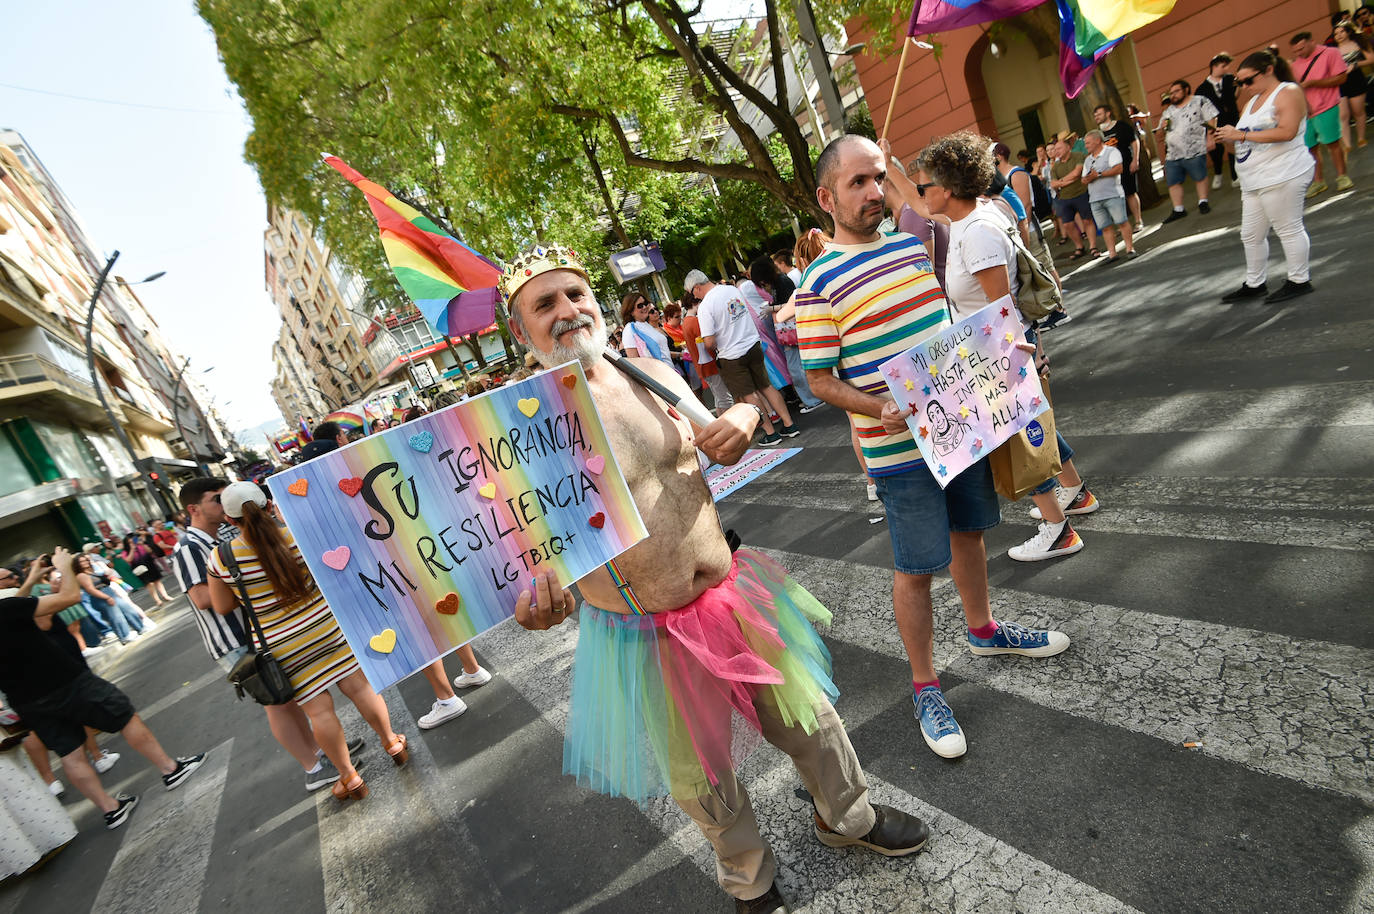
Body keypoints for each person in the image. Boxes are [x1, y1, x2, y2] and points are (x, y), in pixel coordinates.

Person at [500, 242, 930, 914]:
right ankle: (749, 883)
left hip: (731, 593)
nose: (567, 312)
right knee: (700, 775)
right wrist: (537, 601)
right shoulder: (517, 430)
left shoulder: (644, 368)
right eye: (544, 304)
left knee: (810, 719)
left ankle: (849, 820)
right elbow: (522, 552)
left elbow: (719, 429)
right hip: (646, 630)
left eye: (576, 295)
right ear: (521, 329)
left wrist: (746, 416)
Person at [797, 134, 1071, 762]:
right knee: (916, 568)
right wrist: (878, 409)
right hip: (899, 452)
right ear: (827, 198)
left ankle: (983, 631)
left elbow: (949, 329)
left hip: (959, 428)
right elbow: (817, 379)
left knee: (971, 534)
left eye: (877, 179)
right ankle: (925, 686)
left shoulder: (911, 249)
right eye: (857, 183)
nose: (873, 193)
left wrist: (1006, 354)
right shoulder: (817, 283)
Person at [915, 132, 1099, 563]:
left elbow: (1001, 308)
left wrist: (1018, 360)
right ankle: (1075, 492)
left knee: (1016, 436)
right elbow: (921, 206)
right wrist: (887, 171)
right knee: (1033, 425)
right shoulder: (973, 216)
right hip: (998, 347)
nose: (920, 194)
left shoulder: (976, 234)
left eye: (924, 186)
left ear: (947, 188)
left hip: (998, 350)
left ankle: (1058, 528)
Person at [207, 482, 407, 802]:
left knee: (319, 713)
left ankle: (350, 777)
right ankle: (393, 743)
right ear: (270, 505)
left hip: (282, 646)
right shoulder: (298, 536)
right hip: (327, 627)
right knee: (360, 688)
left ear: (230, 521)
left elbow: (221, 606)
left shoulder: (221, 557)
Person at [173, 476, 361, 792]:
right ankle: (313, 766)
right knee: (277, 703)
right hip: (234, 640)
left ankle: (323, 751)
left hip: (260, 630)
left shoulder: (220, 539)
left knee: (294, 699)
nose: (223, 502)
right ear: (194, 508)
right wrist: (226, 574)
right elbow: (203, 599)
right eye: (215, 499)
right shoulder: (189, 548)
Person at [0, 548, 205, 830]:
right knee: (124, 715)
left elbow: (17, 609)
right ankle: (171, 768)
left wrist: (33, 577)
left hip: (27, 699)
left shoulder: (9, 608)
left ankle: (111, 808)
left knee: (70, 753)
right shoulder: (6, 608)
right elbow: (69, 598)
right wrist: (65, 568)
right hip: (65, 679)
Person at [1215, 49, 1316, 304]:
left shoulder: (1288, 92)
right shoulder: (1251, 102)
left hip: (1283, 173)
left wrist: (1240, 136)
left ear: (1269, 70)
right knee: (1250, 234)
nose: (1245, 87)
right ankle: (1255, 283)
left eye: (1249, 80)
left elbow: (1288, 131)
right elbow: (1243, 142)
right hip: (1254, 179)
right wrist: (1224, 139)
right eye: (1240, 83)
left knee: (1288, 228)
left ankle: (1299, 280)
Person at [687, 269, 798, 447]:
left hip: (731, 355)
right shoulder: (731, 290)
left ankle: (770, 433)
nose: (694, 296)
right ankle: (789, 424)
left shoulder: (706, 305)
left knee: (749, 394)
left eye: (692, 292)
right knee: (766, 386)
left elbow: (708, 341)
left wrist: (713, 345)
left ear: (697, 287)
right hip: (752, 344)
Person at [751, 254, 825, 414]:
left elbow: (792, 304)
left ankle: (812, 400)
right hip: (791, 331)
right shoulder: (780, 281)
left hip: (790, 331)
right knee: (799, 366)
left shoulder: (782, 282)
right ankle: (813, 397)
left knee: (795, 368)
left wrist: (771, 308)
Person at [1289, 31, 1352, 196]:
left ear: (1311, 42)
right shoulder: (1295, 64)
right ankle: (1318, 181)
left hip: (1327, 106)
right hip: (1305, 112)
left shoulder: (1331, 53)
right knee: (1310, 148)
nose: (1299, 53)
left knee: (1333, 143)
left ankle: (1342, 176)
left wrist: (1313, 83)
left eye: (1301, 49)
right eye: (1296, 51)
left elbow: (1342, 78)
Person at [1155, 79, 1219, 222]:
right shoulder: (1168, 111)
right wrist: (1161, 128)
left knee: (1199, 176)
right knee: (1173, 181)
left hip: (1194, 148)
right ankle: (1178, 209)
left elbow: (1211, 119)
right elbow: (1159, 134)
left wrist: (1210, 137)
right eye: (1171, 93)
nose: (1173, 95)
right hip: (1173, 153)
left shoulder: (1200, 101)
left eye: (1176, 91)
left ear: (1186, 89)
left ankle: (1203, 202)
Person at [1081, 129, 1137, 261]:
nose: (1086, 146)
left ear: (1097, 141)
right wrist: (1088, 178)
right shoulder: (1088, 159)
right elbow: (1083, 179)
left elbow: (1119, 169)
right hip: (1095, 198)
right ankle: (1112, 253)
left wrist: (1098, 175)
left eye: (1088, 143)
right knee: (1105, 227)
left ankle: (1130, 248)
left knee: (1122, 222)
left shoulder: (1112, 152)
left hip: (1113, 194)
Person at [73, 552, 145, 644]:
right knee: (116, 617)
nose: (85, 562)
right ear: (77, 564)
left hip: (108, 591)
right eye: (81, 561)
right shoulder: (81, 575)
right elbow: (90, 590)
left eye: (86, 560)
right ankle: (124, 635)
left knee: (127, 609)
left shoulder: (91, 571)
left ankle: (140, 627)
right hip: (100, 595)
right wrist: (107, 597)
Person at [1047, 131, 1100, 259]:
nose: (1057, 151)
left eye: (1059, 148)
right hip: (1064, 198)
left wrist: (1061, 182)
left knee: (1087, 220)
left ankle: (1093, 246)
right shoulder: (1055, 166)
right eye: (1055, 149)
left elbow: (1077, 173)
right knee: (1067, 225)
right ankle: (1079, 246)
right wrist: (1065, 181)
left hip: (1081, 193)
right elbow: (1053, 184)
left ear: (1068, 147)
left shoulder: (1078, 156)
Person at [1093, 103, 1145, 230]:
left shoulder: (1121, 126)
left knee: (1130, 193)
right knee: (1112, 197)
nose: (1097, 117)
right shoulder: (1098, 133)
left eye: (1099, 114)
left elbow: (1135, 141)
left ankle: (1138, 221)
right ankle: (1121, 225)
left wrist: (1135, 160)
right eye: (1095, 116)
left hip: (1125, 164)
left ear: (1108, 113)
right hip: (1108, 171)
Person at [682, 294, 734, 415]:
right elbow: (708, 342)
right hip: (709, 364)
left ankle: (723, 425)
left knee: (719, 398)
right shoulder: (694, 321)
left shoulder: (686, 322)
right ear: (695, 303)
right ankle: (731, 426)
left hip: (702, 365)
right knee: (725, 398)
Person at [1196, 52, 1241, 188]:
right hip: (1214, 122)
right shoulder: (1202, 88)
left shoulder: (1230, 79)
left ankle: (1235, 176)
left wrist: (1237, 89)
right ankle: (1218, 173)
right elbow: (1201, 110)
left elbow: (1235, 95)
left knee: (1234, 145)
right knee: (1216, 150)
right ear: (1214, 67)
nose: (1226, 69)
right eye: (1223, 66)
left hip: (1232, 118)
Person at [1332, 22, 1373, 149]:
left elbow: (1371, 59)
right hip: (1339, 82)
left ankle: (1361, 137)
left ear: (1348, 32)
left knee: (1358, 111)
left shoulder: (1358, 44)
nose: (1338, 35)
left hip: (1356, 79)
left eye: (1342, 32)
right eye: (1336, 33)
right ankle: (1347, 144)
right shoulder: (1333, 50)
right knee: (1343, 114)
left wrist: (1355, 65)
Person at [619, 292, 679, 370]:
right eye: (640, 306)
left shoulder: (647, 325)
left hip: (670, 371)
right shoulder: (630, 329)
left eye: (645, 303)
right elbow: (635, 362)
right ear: (631, 311)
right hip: (658, 376)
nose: (644, 307)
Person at [120, 533, 172, 606]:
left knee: (157, 581)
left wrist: (142, 544)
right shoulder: (125, 552)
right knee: (149, 584)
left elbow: (149, 551)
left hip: (149, 564)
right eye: (130, 542)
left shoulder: (141, 545)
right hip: (139, 568)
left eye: (133, 541)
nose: (132, 543)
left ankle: (165, 596)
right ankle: (157, 600)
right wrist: (132, 549)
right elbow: (128, 559)